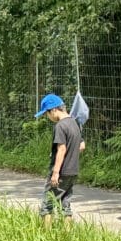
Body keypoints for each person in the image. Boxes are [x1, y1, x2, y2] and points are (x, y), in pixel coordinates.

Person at [35, 93, 82, 228]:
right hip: (72, 171)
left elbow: (61, 149)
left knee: (47, 204)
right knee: (65, 204)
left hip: (61, 172)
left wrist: (55, 172)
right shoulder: (75, 123)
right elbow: (82, 145)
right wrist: (71, 154)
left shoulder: (60, 126)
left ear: (54, 110)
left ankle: (46, 233)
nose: (48, 117)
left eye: (47, 113)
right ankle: (67, 233)